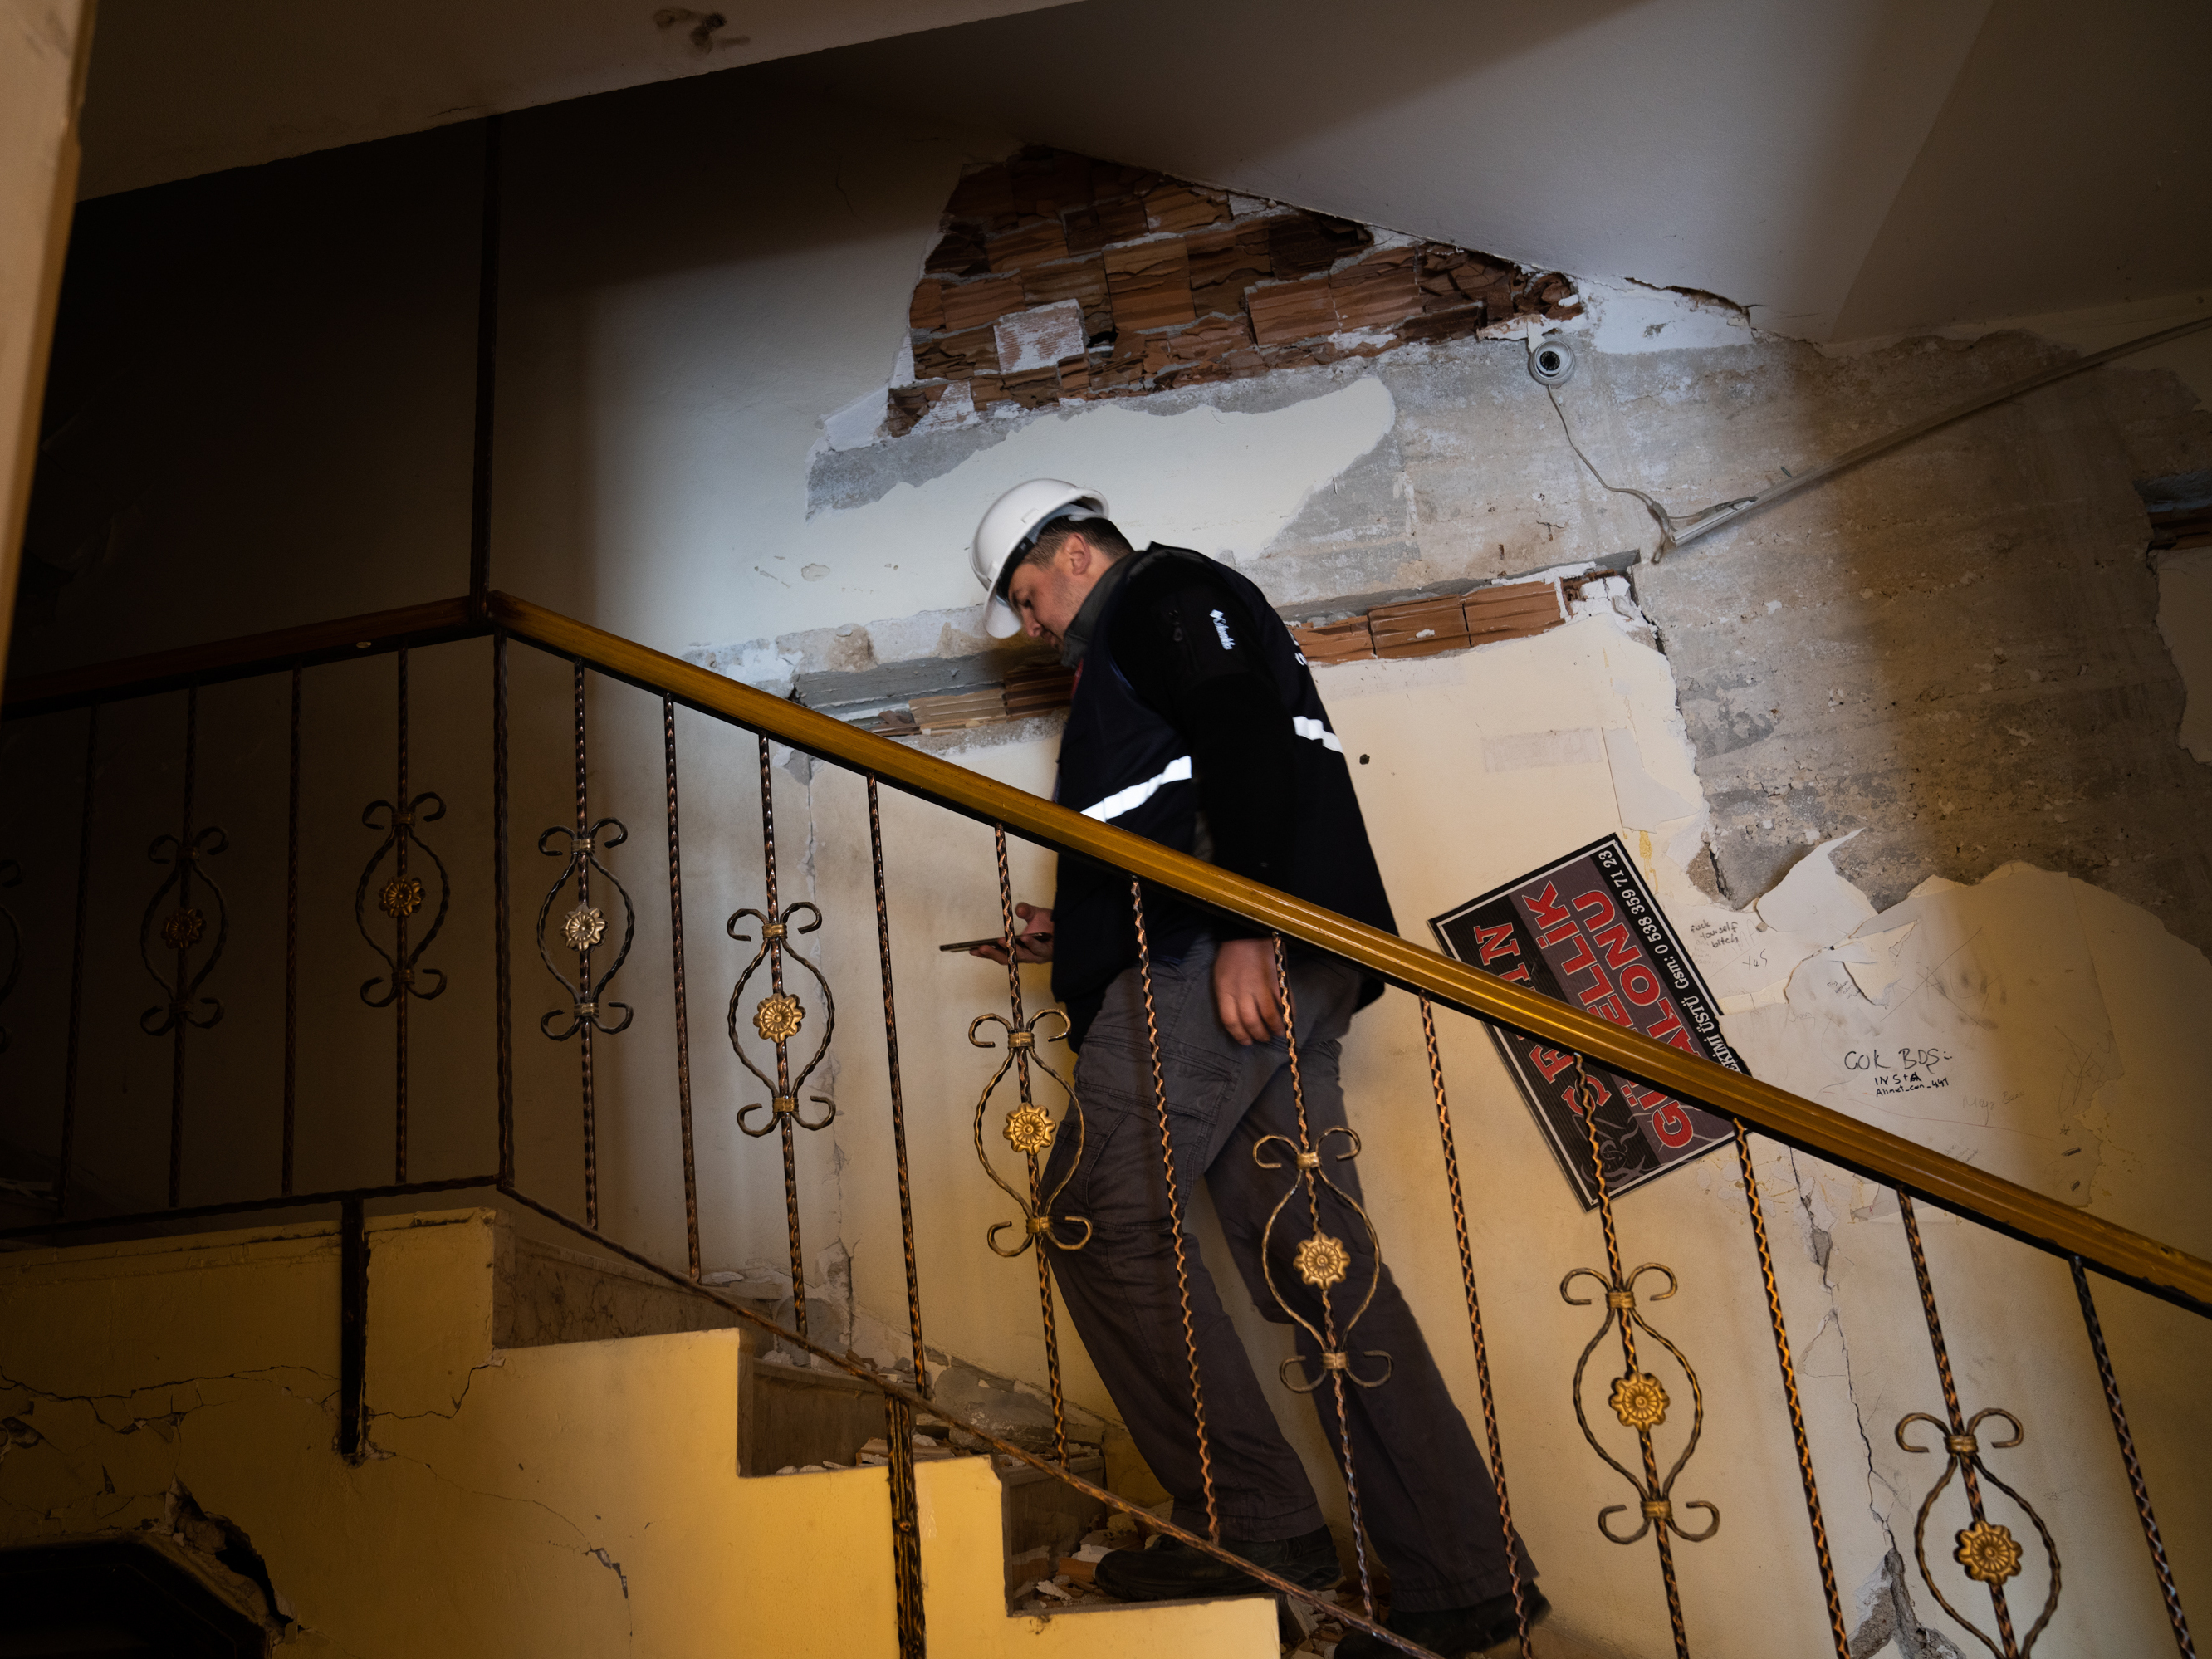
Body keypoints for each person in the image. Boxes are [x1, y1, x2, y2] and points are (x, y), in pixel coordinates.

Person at [963, 479, 1545, 1657]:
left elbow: (1242, 735)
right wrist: (1074, 932)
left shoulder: (1163, 593)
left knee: (1092, 1211)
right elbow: (1179, 797)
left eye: (1027, 596)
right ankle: (1460, 1576)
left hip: (1215, 957)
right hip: (1235, 950)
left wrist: (1247, 925)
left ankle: (1254, 1524)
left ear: (1073, 553)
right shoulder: (1142, 638)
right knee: (1314, 1256)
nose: (1031, 626)